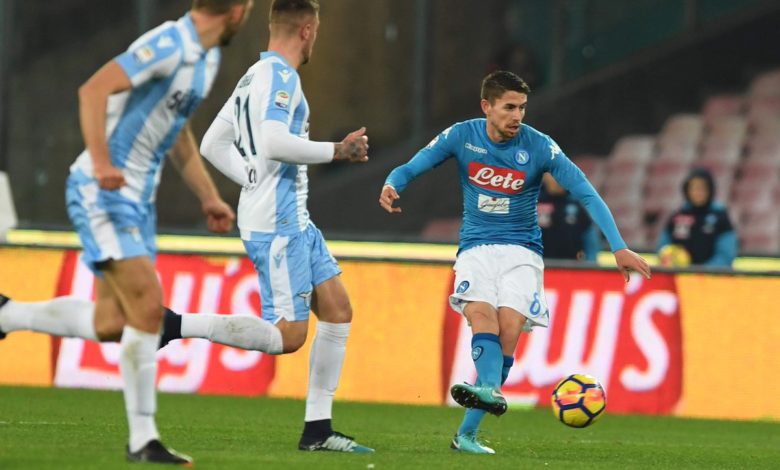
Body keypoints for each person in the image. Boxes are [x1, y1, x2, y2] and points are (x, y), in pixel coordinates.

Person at [0, 0, 254, 464]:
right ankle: (143, 440)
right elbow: (93, 91)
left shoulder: (208, 58)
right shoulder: (169, 44)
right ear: (238, 10)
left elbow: (176, 133)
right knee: (148, 307)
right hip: (103, 192)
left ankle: (7, 314)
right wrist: (101, 163)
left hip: (137, 202)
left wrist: (208, 196)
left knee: (112, 323)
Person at [379, 70, 650, 455]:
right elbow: (413, 165)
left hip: (523, 251)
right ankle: (487, 396)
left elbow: (586, 193)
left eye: (522, 107)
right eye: (509, 107)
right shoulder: (461, 136)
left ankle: (468, 431)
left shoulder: (539, 147)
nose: (517, 116)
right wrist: (393, 183)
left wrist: (618, 246)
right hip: (475, 247)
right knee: (481, 316)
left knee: (509, 330)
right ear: (486, 106)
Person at [196, 0, 374, 453]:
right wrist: (338, 151)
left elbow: (212, 144)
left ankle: (318, 430)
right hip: (277, 222)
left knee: (338, 310)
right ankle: (176, 325)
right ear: (308, 30)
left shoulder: (252, 76)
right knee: (289, 336)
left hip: (291, 217)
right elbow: (274, 143)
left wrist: (248, 177)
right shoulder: (281, 78)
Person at [656, 168, 737, 268]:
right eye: (693, 187)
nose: (698, 192)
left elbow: (726, 255)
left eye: (702, 188)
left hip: (710, 275)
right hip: (679, 275)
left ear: (710, 190)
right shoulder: (677, 216)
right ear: (687, 190)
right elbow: (663, 248)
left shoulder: (720, 216)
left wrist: (701, 272)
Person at [538, 173, 601, 261]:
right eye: (552, 174)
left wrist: (591, 264)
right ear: (544, 176)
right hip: (538, 265)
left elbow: (590, 240)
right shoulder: (532, 201)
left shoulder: (578, 203)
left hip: (570, 266)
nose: (556, 179)